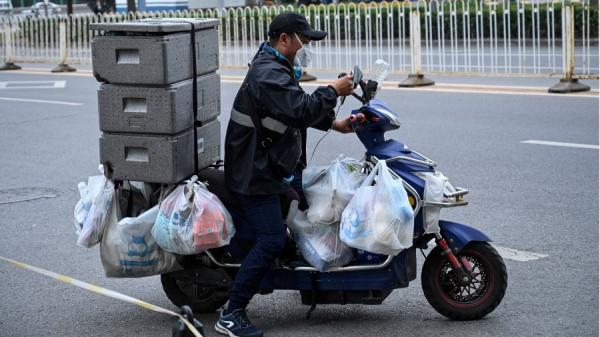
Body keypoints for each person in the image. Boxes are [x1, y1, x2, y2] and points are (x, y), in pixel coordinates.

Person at [218, 11, 362, 337]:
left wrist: (335, 124)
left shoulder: (277, 67)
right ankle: (231, 312)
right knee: (271, 240)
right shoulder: (268, 73)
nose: (305, 47)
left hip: (267, 167)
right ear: (284, 39)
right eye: (303, 42)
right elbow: (299, 108)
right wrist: (333, 91)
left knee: (297, 208)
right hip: (253, 174)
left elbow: (289, 111)